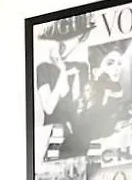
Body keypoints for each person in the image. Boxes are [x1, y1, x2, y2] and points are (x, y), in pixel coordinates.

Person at [34, 16, 90, 157]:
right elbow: (49, 108)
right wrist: (62, 71)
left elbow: (78, 102)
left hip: (75, 135)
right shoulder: (43, 69)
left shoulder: (80, 67)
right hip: (55, 137)